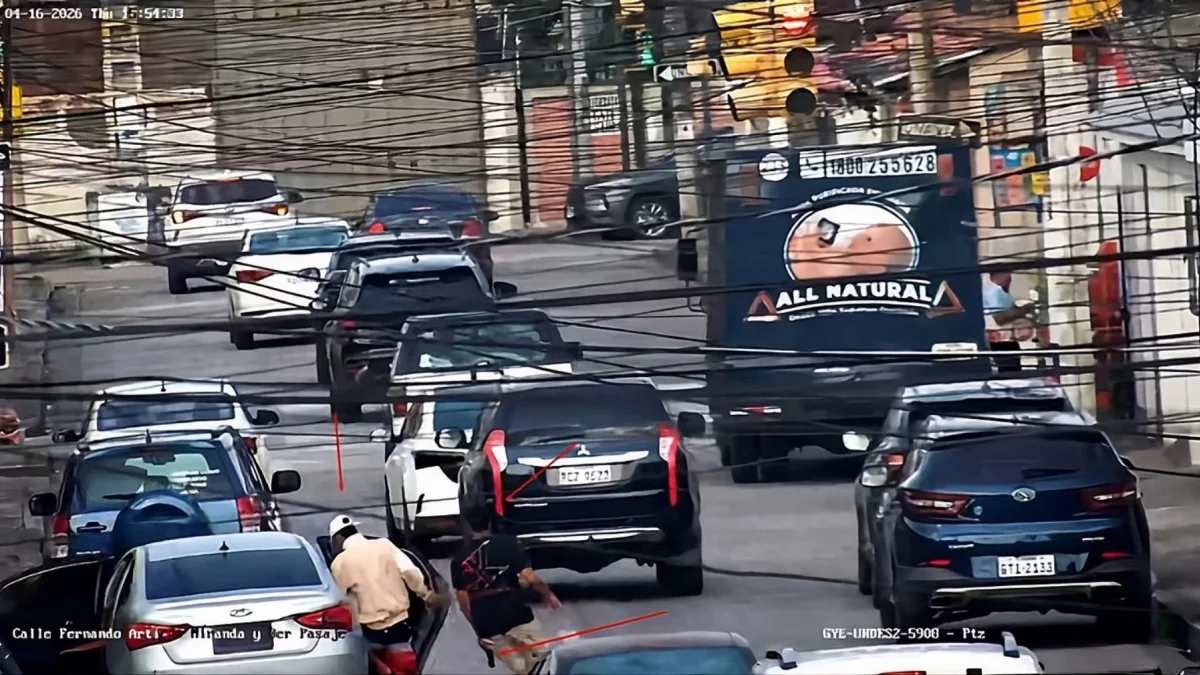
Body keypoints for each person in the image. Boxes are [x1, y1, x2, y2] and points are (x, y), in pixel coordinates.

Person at [328, 515, 448, 673]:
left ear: (338, 538)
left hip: (370, 632)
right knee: (406, 669)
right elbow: (409, 571)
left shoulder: (340, 563)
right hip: (400, 626)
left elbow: (338, 600)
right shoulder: (384, 545)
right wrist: (425, 594)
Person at [451, 510, 561, 675]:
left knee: (521, 669)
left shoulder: (458, 560)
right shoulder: (507, 545)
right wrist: (547, 595)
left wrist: (479, 631)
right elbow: (530, 578)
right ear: (489, 523)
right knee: (544, 661)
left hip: (487, 623)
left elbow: (464, 600)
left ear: (466, 527)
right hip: (515, 613)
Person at [983, 271, 1035, 373]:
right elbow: (998, 318)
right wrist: (1021, 311)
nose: (1009, 279)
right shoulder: (993, 292)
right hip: (998, 342)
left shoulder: (998, 294)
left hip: (1000, 342)